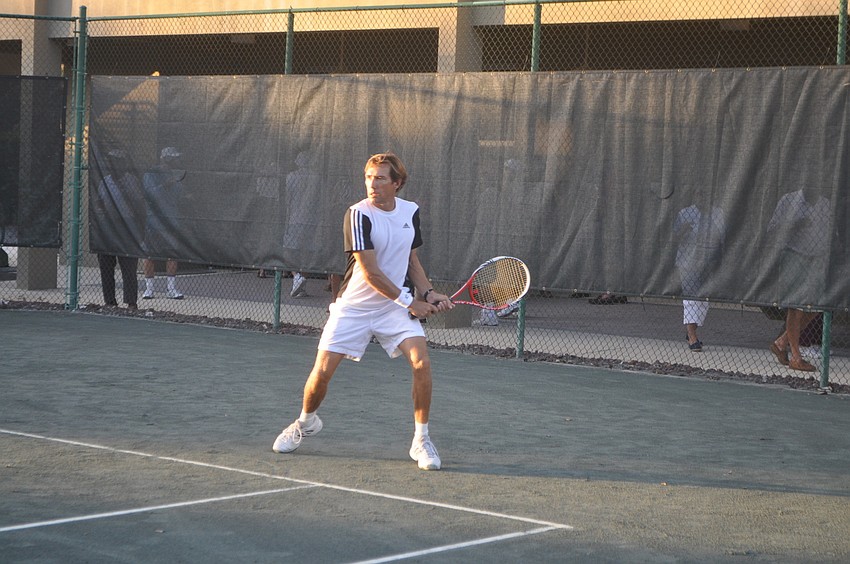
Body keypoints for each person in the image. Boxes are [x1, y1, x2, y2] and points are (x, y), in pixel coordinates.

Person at [272, 152, 453, 470]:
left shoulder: (410, 212)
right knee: (321, 375)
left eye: (381, 178)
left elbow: (412, 262)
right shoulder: (357, 214)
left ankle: (421, 440)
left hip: (393, 310)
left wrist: (429, 292)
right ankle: (304, 422)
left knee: (421, 363)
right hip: (353, 309)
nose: (372, 183)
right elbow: (370, 272)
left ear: (397, 183)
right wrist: (411, 302)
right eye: (369, 177)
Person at [767, 185, 831, 372]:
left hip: (817, 261)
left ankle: (782, 342)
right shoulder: (789, 200)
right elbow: (772, 229)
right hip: (794, 257)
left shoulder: (824, 204)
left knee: (817, 306)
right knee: (796, 307)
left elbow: (827, 233)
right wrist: (795, 225)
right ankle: (796, 356)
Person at [673, 198, 726, 352]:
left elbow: (722, 238)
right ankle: (692, 336)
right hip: (688, 260)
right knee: (691, 297)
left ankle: (691, 328)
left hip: (709, 261)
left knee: (704, 299)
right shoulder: (685, 213)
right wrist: (683, 231)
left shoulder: (718, 213)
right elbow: (674, 235)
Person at [93, 149, 142, 310]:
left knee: (128, 266)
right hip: (107, 227)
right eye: (111, 162)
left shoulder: (131, 181)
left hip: (126, 227)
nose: (113, 165)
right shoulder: (104, 182)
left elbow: (139, 205)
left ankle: (131, 302)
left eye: (117, 162)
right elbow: (99, 202)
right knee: (106, 265)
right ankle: (109, 301)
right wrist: (102, 211)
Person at [141, 146, 185, 300]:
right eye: (173, 158)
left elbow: (180, 195)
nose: (175, 161)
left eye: (176, 158)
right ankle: (149, 290)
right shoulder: (151, 174)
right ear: (165, 159)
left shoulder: (175, 175)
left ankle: (171, 289)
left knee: (172, 254)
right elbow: (149, 194)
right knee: (149, 254)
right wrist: (166, 184)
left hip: (172, 220)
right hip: (154, 221)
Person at [284, 150, 322, 298]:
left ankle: (297, 277)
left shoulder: (292, 177)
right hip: (310, 220)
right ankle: (300, 280)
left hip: (296, 219)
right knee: (306, 251)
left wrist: (287, 220)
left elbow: (288, 201)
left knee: (290, 251)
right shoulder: (315, 177)